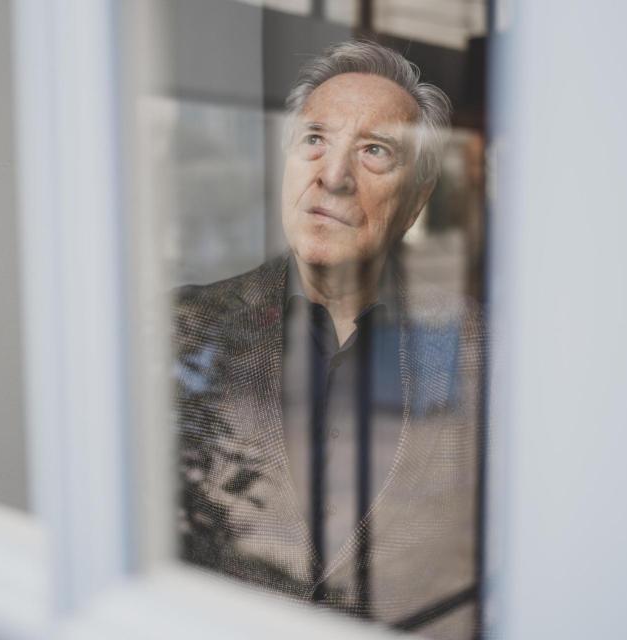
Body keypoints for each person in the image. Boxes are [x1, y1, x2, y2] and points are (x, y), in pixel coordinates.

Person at [173, 40, 484, 639]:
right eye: (313, 140)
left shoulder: (492, 356)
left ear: (416, 201)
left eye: (374, 152)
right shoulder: (180, 329)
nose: (333, 176)